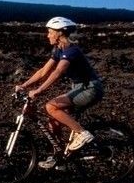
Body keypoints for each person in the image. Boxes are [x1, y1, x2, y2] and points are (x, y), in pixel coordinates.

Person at [15, 16, 103, 168]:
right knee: (53, 121)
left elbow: (57, 72)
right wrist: (24, 85)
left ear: (60, 33)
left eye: (50, 32)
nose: (48, 35)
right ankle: (59, 158)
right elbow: (43, 71)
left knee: (51, 107)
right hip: (80, 88)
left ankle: (82, 133)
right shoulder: (59, 50)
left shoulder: (71, 51)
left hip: (90, 89)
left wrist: (39, 90)